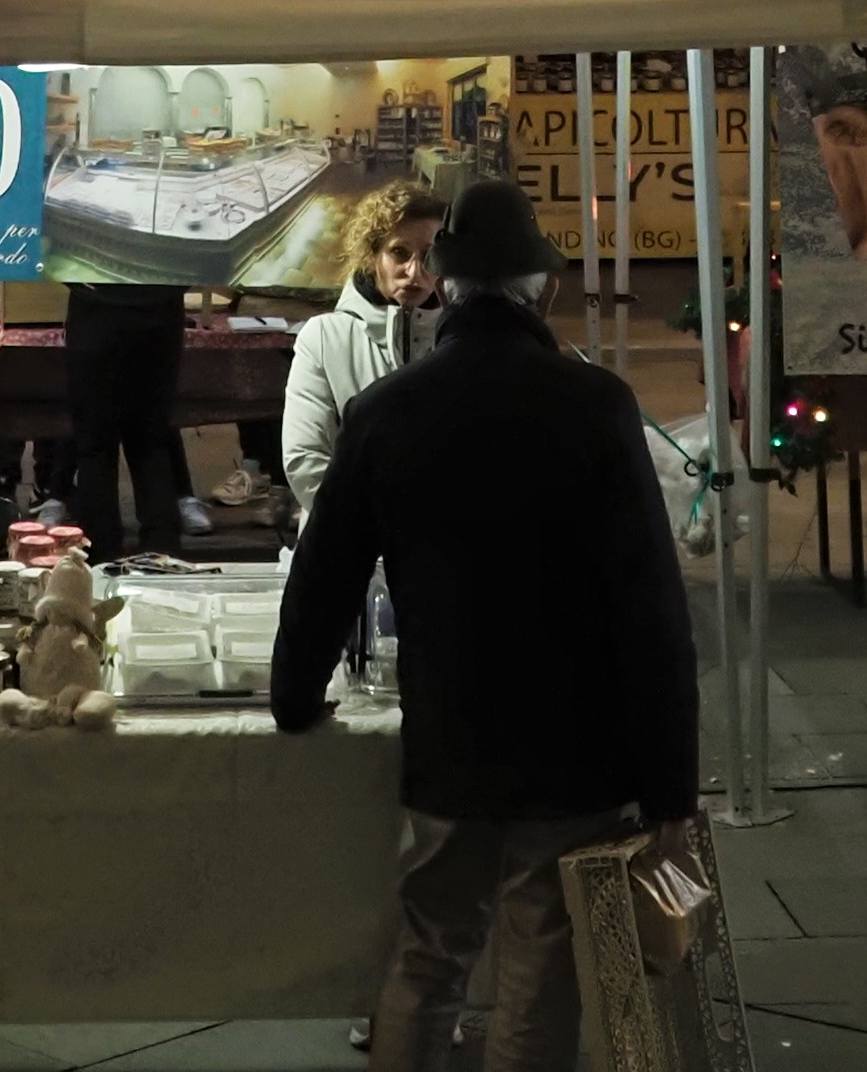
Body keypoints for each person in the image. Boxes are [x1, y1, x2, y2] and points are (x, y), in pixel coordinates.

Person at [273, 181, 696, 1072]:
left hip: (450, 729)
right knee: (541, 958)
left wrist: (293, 695)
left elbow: (326, 575)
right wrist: (670, 789)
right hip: (573, 742)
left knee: (430, 950)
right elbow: (651, 604)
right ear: (538, 288)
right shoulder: (597, 405)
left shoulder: (387, 412)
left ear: (450, 287)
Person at [287, 185, 445, 515]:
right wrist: (372, 534)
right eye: (400, 253)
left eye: (430, 256)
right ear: (372, 256)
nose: (415, 272)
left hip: (435, 557)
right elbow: (305, 461)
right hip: (347, 554)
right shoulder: (323, 339)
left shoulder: (458, 344)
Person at [61, 274, 200, 560]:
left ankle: (99, 553)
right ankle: (161, 550)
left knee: (95, 446)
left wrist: (74, 281)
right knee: (152, 440)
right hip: (160, 302)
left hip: (94, 305)